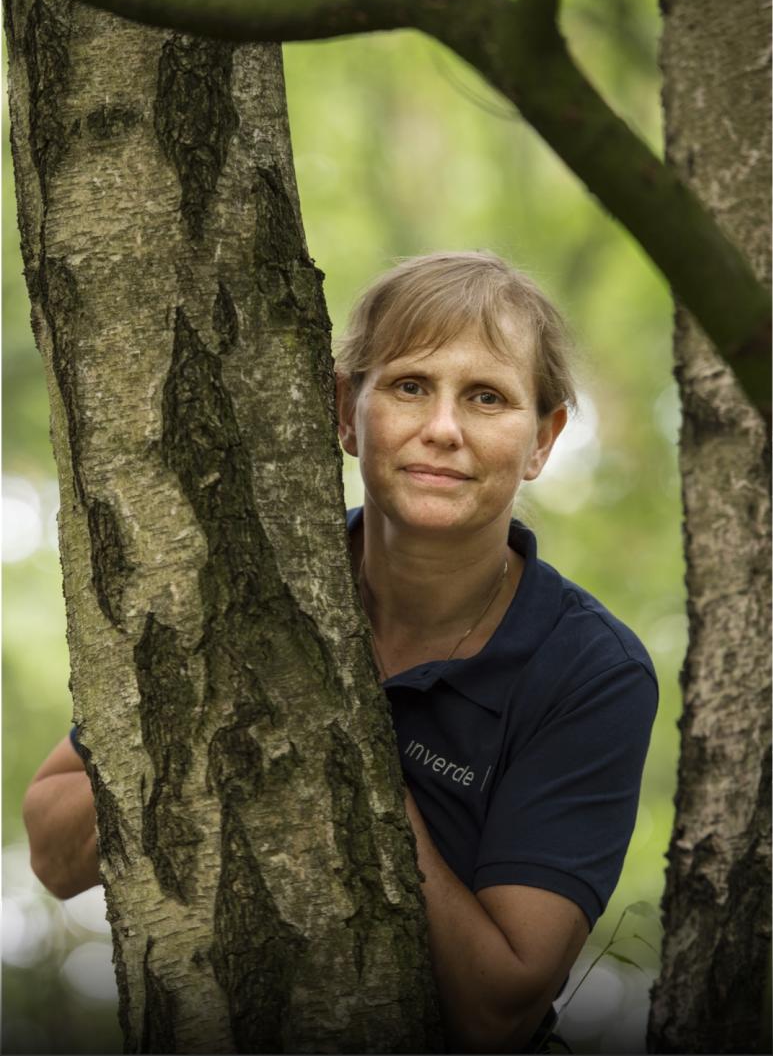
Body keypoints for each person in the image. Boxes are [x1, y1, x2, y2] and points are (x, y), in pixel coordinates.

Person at [24, 250, 657, 1054]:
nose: (442, 428)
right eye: (409, 385)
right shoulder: (246, 583)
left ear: (542, 438)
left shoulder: (591, 671)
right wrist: (217, 709)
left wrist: (348, 759)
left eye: (487, 397)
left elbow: (498, 1010)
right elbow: (53, 851)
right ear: (343, 409)